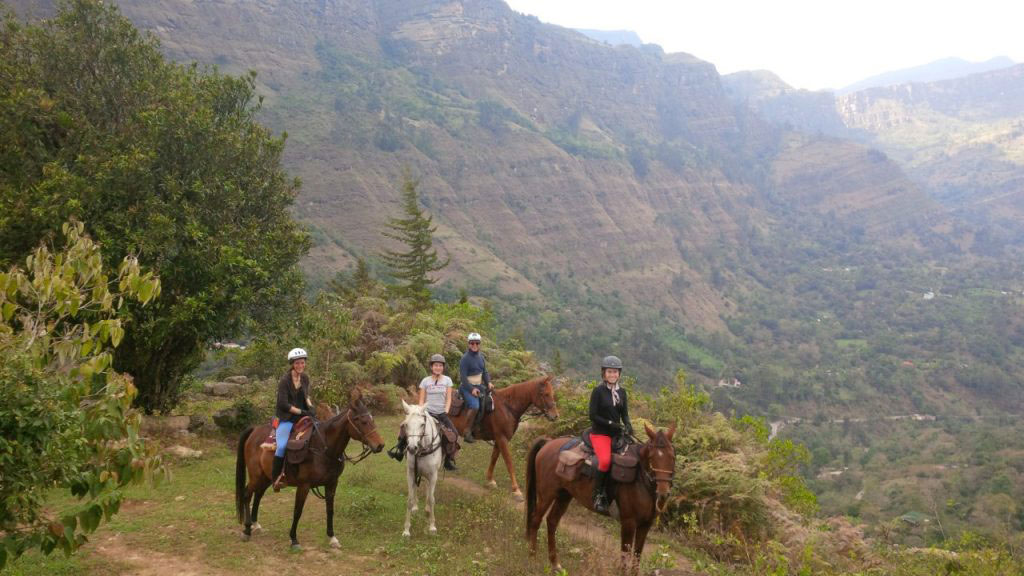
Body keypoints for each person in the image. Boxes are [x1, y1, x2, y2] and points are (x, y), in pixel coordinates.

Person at [388, 354, 459, 471]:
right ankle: (399, 451)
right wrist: (420, 412)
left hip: (442, 413)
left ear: (443, 367)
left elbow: (449, 398)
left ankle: (447, 460)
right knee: (403, 427)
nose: (438, 367)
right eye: (435, 365)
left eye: (440, 365)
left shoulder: (447, 380)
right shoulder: (425, 381)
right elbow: (421, 399)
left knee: (454, 434)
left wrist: (446, 410)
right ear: (431, 367)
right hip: (427, 413)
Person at [588, 355, 633, 513]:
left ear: (619, 374)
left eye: (615, 372)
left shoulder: (622, 392)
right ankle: (597, 494)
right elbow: (592, 415)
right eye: (609, 372)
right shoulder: (598, 391)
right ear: (604, 373)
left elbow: (624, 414)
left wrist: (628, 424)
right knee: (606, 461)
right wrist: (610, 424)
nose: (612, 375)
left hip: (617, 434)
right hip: (601, 434)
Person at [272, 347, 315, 492]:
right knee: (282, 446)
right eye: (297, 363)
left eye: (302, 363)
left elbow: (306, 396)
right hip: (286, 418)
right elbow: (283, 404)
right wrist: (301, 411)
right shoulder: (284, 381)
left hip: (302, 417)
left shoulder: (305, 378)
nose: (300, 366)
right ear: (292, 364)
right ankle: (276, 478)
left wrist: (310, 407)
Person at [458, 332, 491, 443]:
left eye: (477, 343)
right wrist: (471, 389)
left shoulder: (481, 357)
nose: (474, 345)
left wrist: (489, 383)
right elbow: (463, 378)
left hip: (479, 385)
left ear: (479, 344)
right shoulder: (465, 359)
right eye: (472, 343)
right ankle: (467, 431)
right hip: (466, 387)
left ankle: (482, 427)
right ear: (469, 344)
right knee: (475, 405)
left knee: (490, 401)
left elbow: (485, 372)